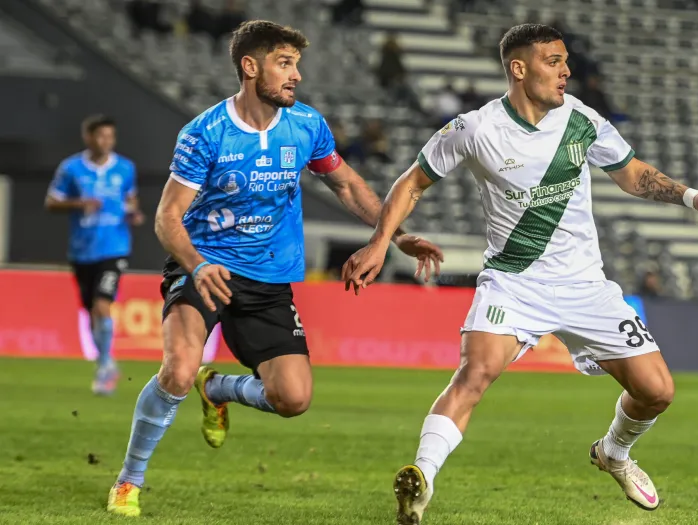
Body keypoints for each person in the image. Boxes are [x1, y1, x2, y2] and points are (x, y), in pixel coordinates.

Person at [341, 23, 698, 525]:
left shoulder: (581, 119)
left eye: (565, 61)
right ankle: (422, 479)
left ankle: (613, 452)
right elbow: (411, 182)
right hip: (514, 283)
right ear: (519, 68)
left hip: (585, 286)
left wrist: (694, 198)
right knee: (474, 374)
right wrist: (381, 242)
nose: (566, 71)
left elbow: (633, 173)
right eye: (554, 61)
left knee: (657, 391)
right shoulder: (475, 128)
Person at [105, 20, 444, 517]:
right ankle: (129, 481)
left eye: (296, 64)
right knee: (176, 370)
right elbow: (167, 217)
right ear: (250, 67)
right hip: (204, 269)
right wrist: (196, 265)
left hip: (268, 278)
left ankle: (216, 387)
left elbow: (347, 185)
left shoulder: (305, 125)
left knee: (293, 398)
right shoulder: (205, 133)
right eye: (284, 64)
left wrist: (395, 236)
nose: (296, 75)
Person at [45, 114, 144, 396]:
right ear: (88, 137)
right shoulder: (71, 168)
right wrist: (79, 204)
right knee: (90, 310)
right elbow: (51, 202)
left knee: (103, 304)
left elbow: (131, 199)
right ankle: (104, 362)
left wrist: (133, 213)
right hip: (82, 250)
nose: (106, 141)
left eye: (110, 136)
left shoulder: (125, 168)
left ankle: (105, 365)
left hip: (114, 247)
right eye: (100, 136)